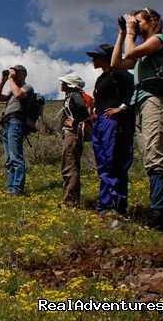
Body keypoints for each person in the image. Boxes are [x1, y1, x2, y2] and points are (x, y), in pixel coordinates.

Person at [110, 7, 163, 233]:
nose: (136, 27)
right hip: (143, 103)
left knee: (155, 158)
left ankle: (158, 214)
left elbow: (130, 54)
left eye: (139, 22)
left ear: (152, 21)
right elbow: (117, 64)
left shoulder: (158, 40)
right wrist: (122, 33)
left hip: (155, 102)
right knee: (151, 158)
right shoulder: (142, 51)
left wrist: (130, 33)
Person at [86, 44, 135, 215]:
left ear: (106, 57)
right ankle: (105, 204)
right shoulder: (101, 79)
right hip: (100, 121)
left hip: (113, 122)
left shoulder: (119, 72)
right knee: (103, 163)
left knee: (113, 160)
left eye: (96, 56)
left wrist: (121, 108)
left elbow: (134, 90)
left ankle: (117, 204)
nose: (93, 60)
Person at [0, 65, 34, 195]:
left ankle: (17, 189)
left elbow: (18, 94)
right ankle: (11, 189)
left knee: (16, 158)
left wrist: (10, 79)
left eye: (16, 72)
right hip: (8, 124)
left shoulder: (27, 87)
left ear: (23, 74)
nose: (13, 74)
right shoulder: (11, 90)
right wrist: (3, 81)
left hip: (16, 122)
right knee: (9, 160)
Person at [56, 73, 89, 207]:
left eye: (64, 82)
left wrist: (74, 122)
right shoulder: (72, 95)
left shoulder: (75, 94)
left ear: (70, 85)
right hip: (72, 134)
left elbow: (82, 109)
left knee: (70, 166)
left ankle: (70, 202)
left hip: (73, 134)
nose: (61, 84)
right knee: (70, 165)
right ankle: (72, 200)